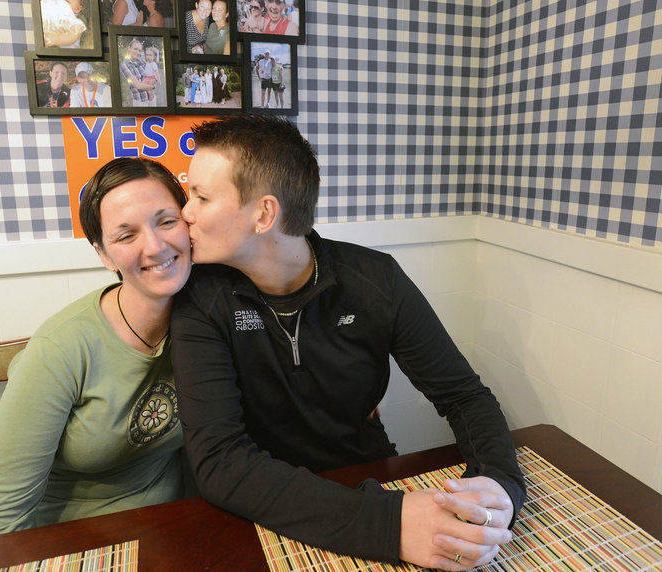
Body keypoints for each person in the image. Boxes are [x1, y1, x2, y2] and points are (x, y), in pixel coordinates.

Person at [170, 116, 526, 570]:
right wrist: (387, 525)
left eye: (200, 196)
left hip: (363, 476)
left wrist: (499, 485)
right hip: (259, 509)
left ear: (264, 214)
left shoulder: (375, 280)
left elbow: (463, 395)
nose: (186, 212)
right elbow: (221, 461)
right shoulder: (200, 298)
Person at [0, 157, 192, 536]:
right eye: (126, 235)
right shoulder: (59, 349)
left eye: (167, 221)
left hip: (178, 529)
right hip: (77, 541)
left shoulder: (211, 316)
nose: (156, 246)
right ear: (104, 255)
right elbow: (0, 519)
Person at [118, 39, 157, 106]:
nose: (137, 52)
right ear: (129, 48)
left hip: (152, 99)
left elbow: (152, 75)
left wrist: (153, 81)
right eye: (135, 49)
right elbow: (138, 85)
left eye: (139, 50)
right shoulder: (125, 65)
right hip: (141, 103)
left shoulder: (142, 61)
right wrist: (152, 86)